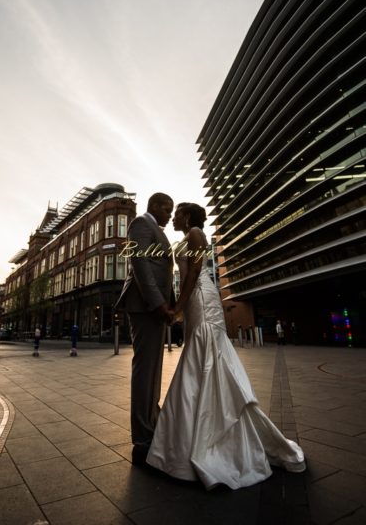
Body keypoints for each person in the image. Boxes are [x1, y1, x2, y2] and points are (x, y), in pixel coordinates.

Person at [146, 202, 305, 490]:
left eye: (178, 212)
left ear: (189, 216)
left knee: (204, 353)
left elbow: (193, 274)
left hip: (201, 299)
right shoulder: (184, 238)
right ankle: (193, 433)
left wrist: (178, 308)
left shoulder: (195, 233)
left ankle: (209, 438)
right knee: (200, 356)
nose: (175, 217)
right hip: (194, 301)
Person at [116, 192, 174, 466]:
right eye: (167, 208)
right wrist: (158, 303)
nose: (170, 214)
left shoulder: (155, 230)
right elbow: (140, 265)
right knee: (145, 369)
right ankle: (142, 438)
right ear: (154, 206)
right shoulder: (141, 223)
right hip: (145, 306)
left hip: (155, 309)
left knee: (153, 370)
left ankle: (151, 421)